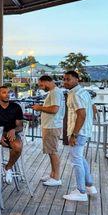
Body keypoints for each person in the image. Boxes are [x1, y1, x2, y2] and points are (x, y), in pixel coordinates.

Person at [62, 70, 97, 202]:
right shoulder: (84, 92)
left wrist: (74, 135)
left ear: (77, 80)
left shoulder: (75, 94)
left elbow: (81, 114)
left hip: (79, 132)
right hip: (85, 131)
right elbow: (91, 109)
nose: (65, 81)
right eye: (64, 79)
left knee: (76, 160)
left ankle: (81, 191)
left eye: (68, 79)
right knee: (80, 158)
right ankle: (89, 185)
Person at [0, 86, 24, 184]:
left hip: (10, 134)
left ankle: (8, 167)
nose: (7, 95)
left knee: (18, 147)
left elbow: (20, 126)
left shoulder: (16, 107)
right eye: (4, 92)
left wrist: (14, 130)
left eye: (8, 93)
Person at [32, 75, 65, 187]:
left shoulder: (55, 92)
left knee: (53, 152)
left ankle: (56, 178)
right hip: (50, 125)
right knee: (51, 151)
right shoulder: (53, 92)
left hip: (52, 126)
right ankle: (52, 174)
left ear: (47, 81)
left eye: (41, 85)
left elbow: (55, 109)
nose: (41, 88)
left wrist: (39, 108)